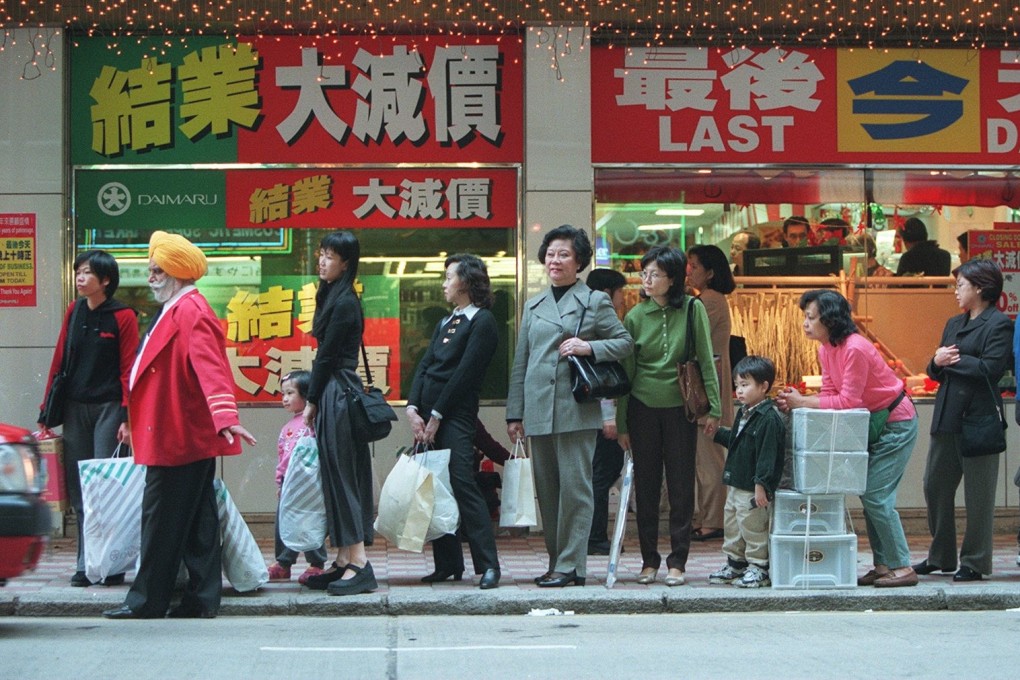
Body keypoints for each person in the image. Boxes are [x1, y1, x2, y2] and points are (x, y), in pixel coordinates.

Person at [103, 231, 256, 619]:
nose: (151, 276)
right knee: (198, 523)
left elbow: (212, 369)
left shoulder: (190, 310)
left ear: (175, 272)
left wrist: (226, 418)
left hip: (178, 434)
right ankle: (200, 600)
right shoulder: (178, 308)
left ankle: (147, 602)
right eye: (151, 269)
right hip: (177, 431)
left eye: (157, 270)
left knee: (161, 521)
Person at [506, 224, 633, 588]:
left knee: (575, 488)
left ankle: (571, 564)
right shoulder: (533, 305)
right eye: (550, 254)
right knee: (548, 491)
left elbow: (623, 342)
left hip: (575, 408)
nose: (554, 261)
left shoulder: (594, 300)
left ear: (579, 262)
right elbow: (522, 361)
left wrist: (588, 347)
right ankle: (557, 561)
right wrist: (515, 412)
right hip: (539, 409)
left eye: (563, 254)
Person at [776, 289, 919, 588]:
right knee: (871, 496)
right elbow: (830, 394)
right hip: (873, 424)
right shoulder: (826, 348)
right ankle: (883, 565)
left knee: (877, 497)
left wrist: (803, 402)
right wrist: (801, 401)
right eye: (805, 317)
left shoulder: (855, 347)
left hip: (896, 423)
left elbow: (848, 401)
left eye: (811, 318)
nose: (805, 324)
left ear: (830, 319)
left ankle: (903, 566)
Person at [617, 246, 721, 587]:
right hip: (642, 408)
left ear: (673, 278)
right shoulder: (635, 316)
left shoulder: (693, 309)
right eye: (644, 274)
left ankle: (678, 561)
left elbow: (706, 359)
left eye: (655, 274)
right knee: (646, 488)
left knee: (680, 485)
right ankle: (649, 561)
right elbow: (627, 374)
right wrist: (621, 423)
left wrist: (714, 409)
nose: (647, 280)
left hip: (681, 409)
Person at [38, 249, 138, 588]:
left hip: (109, 408)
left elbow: (128, 370)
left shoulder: (123, 316)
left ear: (105, 280)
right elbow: (59, 360)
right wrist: (47, 412)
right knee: (81, 490)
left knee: (104, 487)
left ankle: (109, 564)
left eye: (86, 273)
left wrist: (127, 417)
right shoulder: (74, 310)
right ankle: (85, 562)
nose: (80, 279)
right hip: (74, 408)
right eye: (78, 272)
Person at [407, 254, 502, 590]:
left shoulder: (483, 321)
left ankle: (488, 565)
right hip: (428, 414)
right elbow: (425, 365)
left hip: (456, 415)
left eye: (449, 277)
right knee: (434, 487)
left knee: (463, 482)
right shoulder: (447, 321)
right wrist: (413, 407)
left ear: (466, 281)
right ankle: (447, 563)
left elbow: (464, 375)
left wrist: (437, 414)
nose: (444, 283)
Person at [915, 259, 1013, 582]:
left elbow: (990, 369)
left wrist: (949, 360)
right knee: (935, 485)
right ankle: (940, 554)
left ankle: (975, 560)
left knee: (979, 495)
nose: (956, 290)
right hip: (947, 416)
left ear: (980, 288)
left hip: (979, 418)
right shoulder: (953, 324)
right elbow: (934, 370)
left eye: (961, 285)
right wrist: (936, 361)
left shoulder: (998, 324)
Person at [301, 230, 378, 596]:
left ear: (346, 263)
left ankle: (360, 562)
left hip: (337, 393)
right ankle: (345, 559)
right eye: (322, 254)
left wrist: (311, 400)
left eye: (331, 256)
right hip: (335, 391)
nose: (322, 261)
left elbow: (327, 356)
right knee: (335, 475)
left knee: (344, 476)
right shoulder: (332, 295)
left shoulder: (345, 302)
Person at [709, 355, 785, 588]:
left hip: (752, 486)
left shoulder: (769, 418)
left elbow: (767, 455)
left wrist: (761, 485)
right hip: (736, 481)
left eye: (745, 385)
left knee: (753, 526)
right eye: (737, 386)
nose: (739, 391)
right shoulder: (744, 412)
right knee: (733, 523)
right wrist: (716, 432)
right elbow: (736, 440)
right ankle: (735, 563)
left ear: (764, 387)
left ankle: (758, 566)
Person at [686, 244, 736, 542]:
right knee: (707, 455)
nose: (689, 271)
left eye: (694, 266)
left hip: (707, 388)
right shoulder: (705, 300)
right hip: (708, 385)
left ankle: (713, 520)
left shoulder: (709, 302)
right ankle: (710, 517)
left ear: (710, 272)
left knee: (709, 457)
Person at [267, 370, 328, 585]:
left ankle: (316, 564)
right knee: (285, 520)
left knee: (310, 519)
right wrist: (279, 482)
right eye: (283, 394)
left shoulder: (315, 423)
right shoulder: (287, 428)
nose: (284, 398)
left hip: (310, 482)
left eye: (290, 393)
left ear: (307, 394)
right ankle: (284, 563)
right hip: (289, 483)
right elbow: (282, 457)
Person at [583, 268, 628, 555]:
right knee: (602, 473)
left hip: (598, 415)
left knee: (598, 473)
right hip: (604, 415)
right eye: (621, 292)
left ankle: (593, 535)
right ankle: (595, 537)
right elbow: (605, 378)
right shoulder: (603, 327)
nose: (624, 299)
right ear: (607, 294)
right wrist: (609, 417)